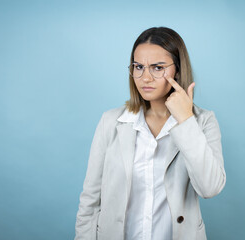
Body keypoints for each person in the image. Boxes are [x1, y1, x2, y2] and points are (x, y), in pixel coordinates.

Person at [74, 26, 226, 240]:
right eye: (138, 67)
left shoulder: (203, 121)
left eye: (157, 67)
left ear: (178, 70)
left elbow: (210, 187)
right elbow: (90, 201)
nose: (145, 78)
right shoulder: (111, 121)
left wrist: (185, 120)